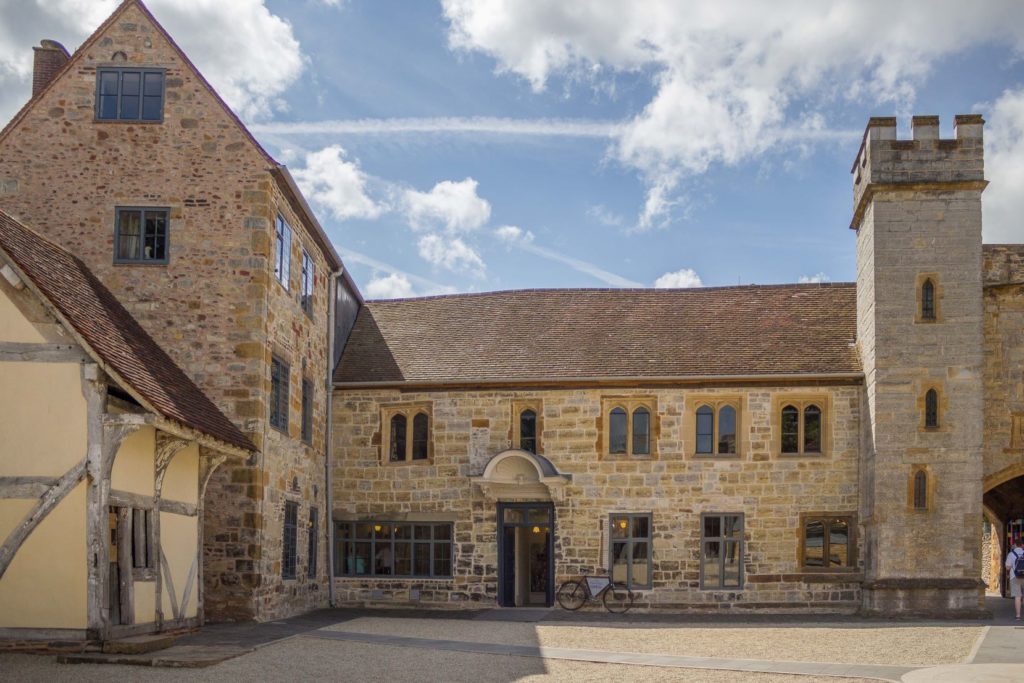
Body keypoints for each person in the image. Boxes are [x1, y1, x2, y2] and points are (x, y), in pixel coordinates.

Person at [1005, 538, 1024, 621]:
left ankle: (1018, 616)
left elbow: (1008, 567)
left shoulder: (1011, 554)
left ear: (1015, 545)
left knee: (1017, 596)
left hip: (1015, 577)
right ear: (1022, 545)